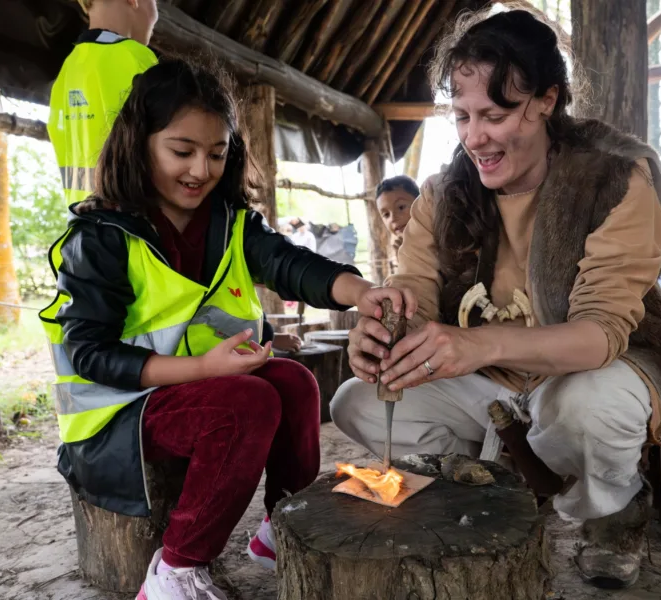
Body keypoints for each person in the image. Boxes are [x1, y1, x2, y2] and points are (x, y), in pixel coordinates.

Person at [330, 8, 661, 590]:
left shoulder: (613, 179)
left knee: (583, 407)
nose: (474, 137)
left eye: (495, 114)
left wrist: (476, 344)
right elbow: (415, 288)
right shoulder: (442, 195)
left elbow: (600, 333)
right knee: (355, 401)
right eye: (461, 116)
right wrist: (388, 322)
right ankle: (493, 478)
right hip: (494, 387)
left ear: (547, 100)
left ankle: (611, 511)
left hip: (599, 370)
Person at [39, 59, 415, 600]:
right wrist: (203, 368)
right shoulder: (101, 236)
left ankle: (279, 530)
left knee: (294, 383)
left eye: (217, 154)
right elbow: (90, 356)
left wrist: (361, 294)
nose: (200, 170)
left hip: (192, 390)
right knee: (247, 402)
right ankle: (175, 570)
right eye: (181, 151)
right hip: (116, 413)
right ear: (139, 143)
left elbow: (291, 264)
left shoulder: (231, 222)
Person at [48, 0, 158, 205]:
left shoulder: (67, 71)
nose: (155, 13)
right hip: (136, 226)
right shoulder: (136, 59)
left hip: (85, 224)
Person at [375, 175, 420, 258]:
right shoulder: (403, 249)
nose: (393, 218)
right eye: (386, 214)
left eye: (401, 207)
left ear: (420, 204)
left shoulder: (442, 240)